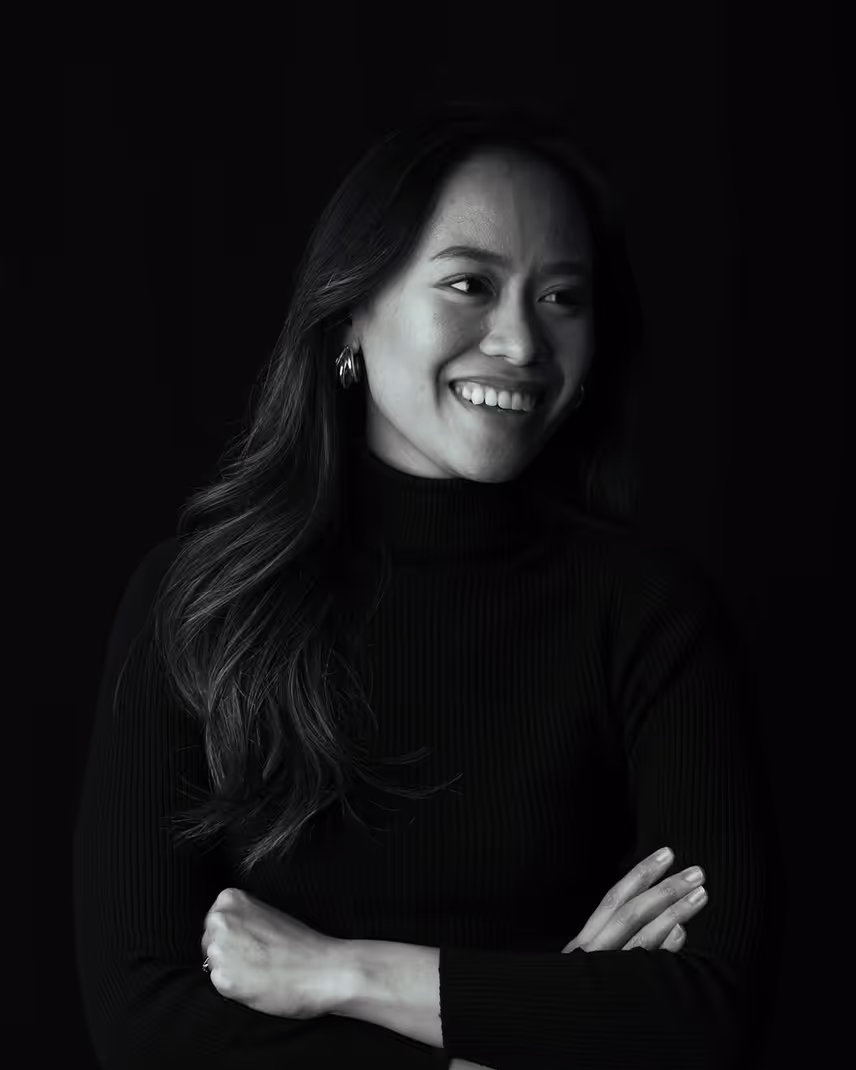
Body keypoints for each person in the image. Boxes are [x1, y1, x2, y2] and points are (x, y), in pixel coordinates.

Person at [73, 99, 780, 1069]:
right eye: (468, 284)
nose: (523, 344)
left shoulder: (651, 615)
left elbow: (705, 1009)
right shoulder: (200, 604)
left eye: (561, 296)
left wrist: (348, 971)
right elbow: (143, 1025)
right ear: (349, 313)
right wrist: (525, 1023)